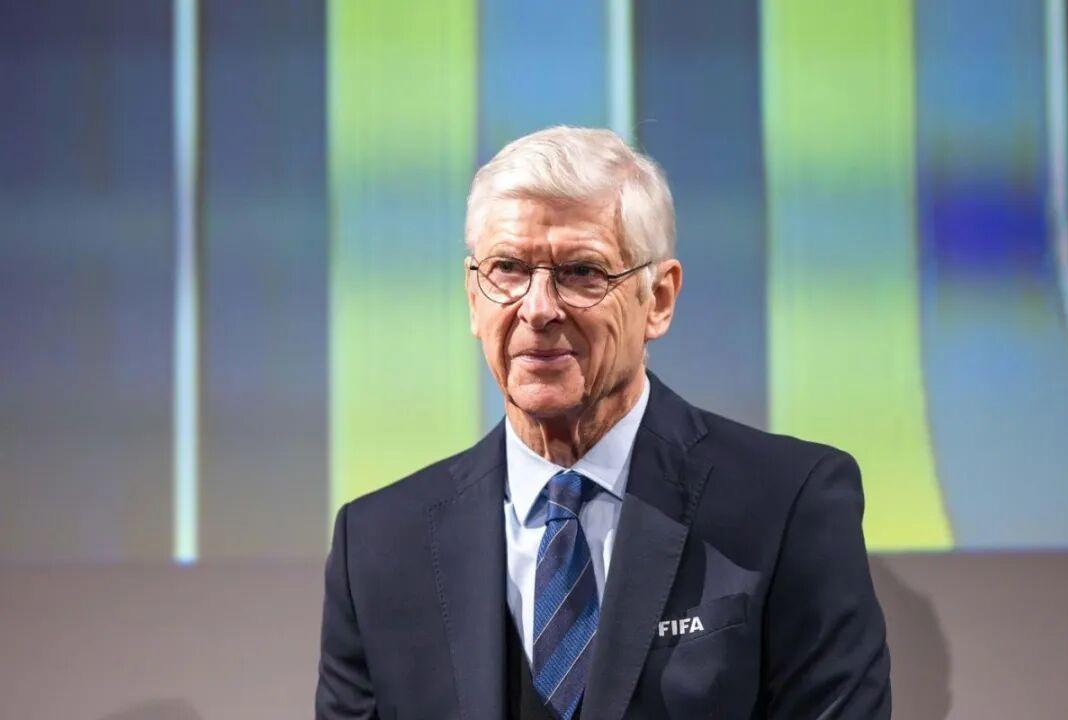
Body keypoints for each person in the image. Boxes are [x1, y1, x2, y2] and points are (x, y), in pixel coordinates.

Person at [316, 126, 891, 719]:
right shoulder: (379, 545)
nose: (538, 309)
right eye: (508, 268)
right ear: (473, 296)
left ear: (658, 299)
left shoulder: (787, 503)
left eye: (581, 272)